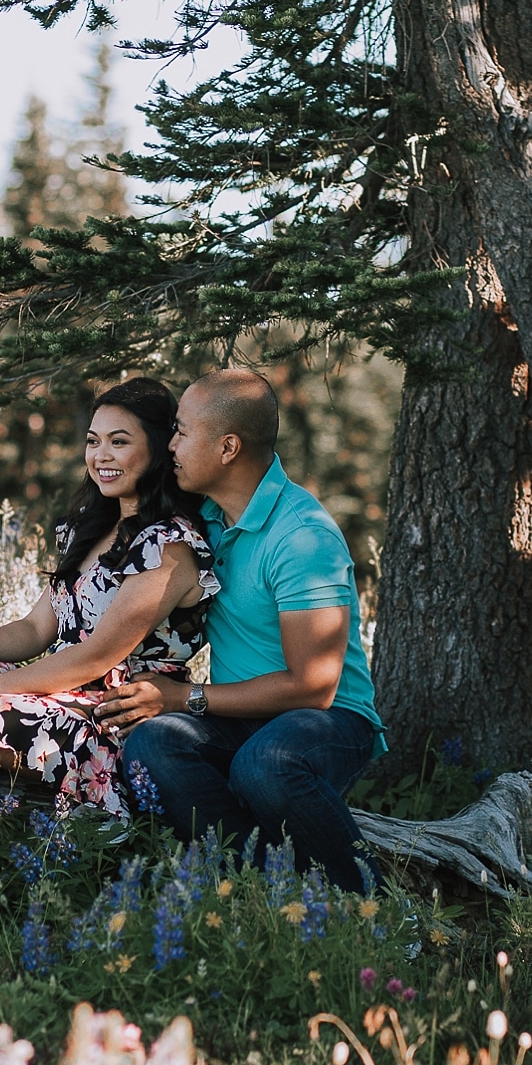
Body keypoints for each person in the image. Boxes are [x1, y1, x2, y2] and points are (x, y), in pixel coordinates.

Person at [0, 377, 218, 817]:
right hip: (59, 695)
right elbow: (34, 629)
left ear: (160, 449)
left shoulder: (168, 547)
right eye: (93, 441)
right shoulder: (90, 530)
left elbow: (95, 658)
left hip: (110, 719)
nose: (100, 456)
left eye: (118, 442)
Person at [102, 369, 385, 891]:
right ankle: (263, 893)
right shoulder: (203, 517)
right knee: (150, 746)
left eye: (183, 432)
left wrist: (183, 697)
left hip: (329, 721)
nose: (171, 444)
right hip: (243, 715)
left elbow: (313, 687)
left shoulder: (302, 537)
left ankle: (381, 907)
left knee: (265, 764)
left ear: (228, 447)